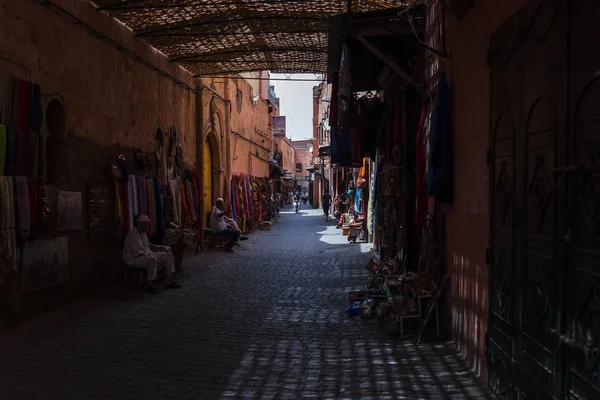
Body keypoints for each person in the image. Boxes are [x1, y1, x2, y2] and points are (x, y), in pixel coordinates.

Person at [123, 215, 182, 293]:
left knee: (168, 256)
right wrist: (151, 256)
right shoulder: (133, 235)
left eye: (148, 224)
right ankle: (150, 285)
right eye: (145, 224)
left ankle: (170, 281)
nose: (147, 227)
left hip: (147, 255)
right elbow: (137, 253)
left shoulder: (143, 233)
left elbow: (149, 245)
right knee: (152, 260)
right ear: (139, 224)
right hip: (133, 259)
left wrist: (161, 247)